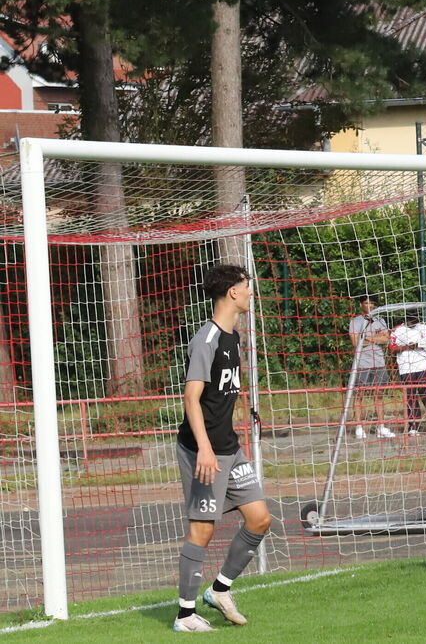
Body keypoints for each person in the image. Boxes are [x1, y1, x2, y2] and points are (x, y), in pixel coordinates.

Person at [173, 265, 272, 632]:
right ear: (232, 292)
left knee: (260, 518)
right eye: (247, 287)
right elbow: (191, 397)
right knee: (202, 529)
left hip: (229, 447)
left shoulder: (233, 338)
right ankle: (184, 616)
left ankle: (219, 591)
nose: (250, 293)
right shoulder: (207, 339)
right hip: (202, 451)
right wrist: (203, 449)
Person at [349, 295, 395, 438]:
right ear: (361, 304)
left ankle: (381, 426)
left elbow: (386, 339)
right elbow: (356, 342)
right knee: (359, 395)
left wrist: (367, 338)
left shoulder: (380, 320)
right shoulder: (355, 321)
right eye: (367, 303)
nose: (370, 306)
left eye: (372, 303)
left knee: (379, 394)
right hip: (362, 363)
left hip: (379, 362)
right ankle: (359, 427)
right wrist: (376, 338)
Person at [390, 310, 426, 435]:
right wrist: (406, 347)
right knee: (410, 398)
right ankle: (413, 426)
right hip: (406, 368)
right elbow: (392, 348)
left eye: (416, 318)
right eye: (412, 319)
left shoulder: (422, 327)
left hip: (422, 366)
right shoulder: (398, 330)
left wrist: (416, 345)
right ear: (407, 318)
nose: (414, 321)